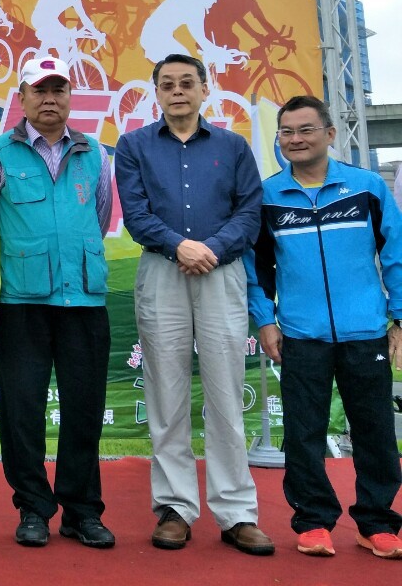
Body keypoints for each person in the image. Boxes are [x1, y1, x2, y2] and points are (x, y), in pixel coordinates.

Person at [114, 53, 272, 555]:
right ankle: (175, 508)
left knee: (226, 391)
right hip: (163, 268)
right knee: (166, 392)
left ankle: (237, 512)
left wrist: (212, 249)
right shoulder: (134, 145)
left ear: (205, 89)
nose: (178, 91)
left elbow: (250, 212)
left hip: (221, 270)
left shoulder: (233, 145)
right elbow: (136, 213)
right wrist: (179, 246)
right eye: (168, 84)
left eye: (187, 82)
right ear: (157, 93)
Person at [247, 95, 402, 560]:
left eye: (306, 129)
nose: (296, 139)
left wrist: (399, 319)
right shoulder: (267, 197)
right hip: (300, 334)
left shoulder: (366, 188)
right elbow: (256, 269)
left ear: (330, 134)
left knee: (375, 432)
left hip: (366, 332)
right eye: (287, 132)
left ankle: (377, 523)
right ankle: (313, 522)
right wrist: (265, 321)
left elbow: (396, 254)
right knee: (303, 433)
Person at [0, 58, 115, 549]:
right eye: (40, 90)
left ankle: (82, 511)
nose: (50, 99)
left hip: (84, 300)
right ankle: (33, 508)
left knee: (84, 408)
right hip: (22, 301)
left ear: (71, 97)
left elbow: (99, 219)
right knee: (23, 409)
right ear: (22, 98)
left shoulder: (96, 154)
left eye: (59, 89)